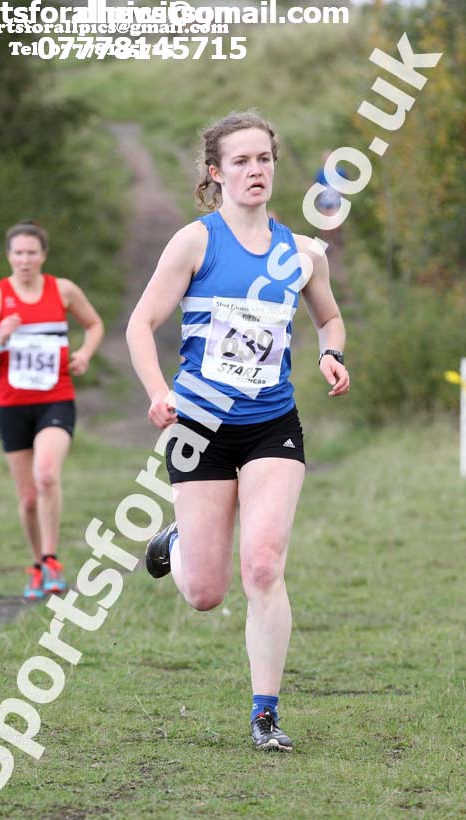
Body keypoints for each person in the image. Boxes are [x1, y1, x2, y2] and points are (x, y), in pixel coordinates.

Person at [126, 112, 349, 751]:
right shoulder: (194, 243)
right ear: (216, 173)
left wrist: (331, 353)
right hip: (199, 426)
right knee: (202, 592)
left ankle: (265, 713)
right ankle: (180, 533)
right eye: (242, 161)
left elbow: (329, 318)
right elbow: (140, 325)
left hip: (271, 423)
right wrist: (158, 393)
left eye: (265, 159)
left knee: (263, 562)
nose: (256, 171)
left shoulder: (302, 253)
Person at [0, 220, 104, 600]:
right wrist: (0, 338)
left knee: (46, 475)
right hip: (12, 405)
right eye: (18, 253)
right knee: (28, 498)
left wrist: (84, 354)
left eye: (31, 252)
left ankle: (52, 559)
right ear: (8, 256)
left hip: (55, 399)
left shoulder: (62, 291)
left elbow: (94, 325)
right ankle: (37, 565)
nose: (25, 260)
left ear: (43, 255)